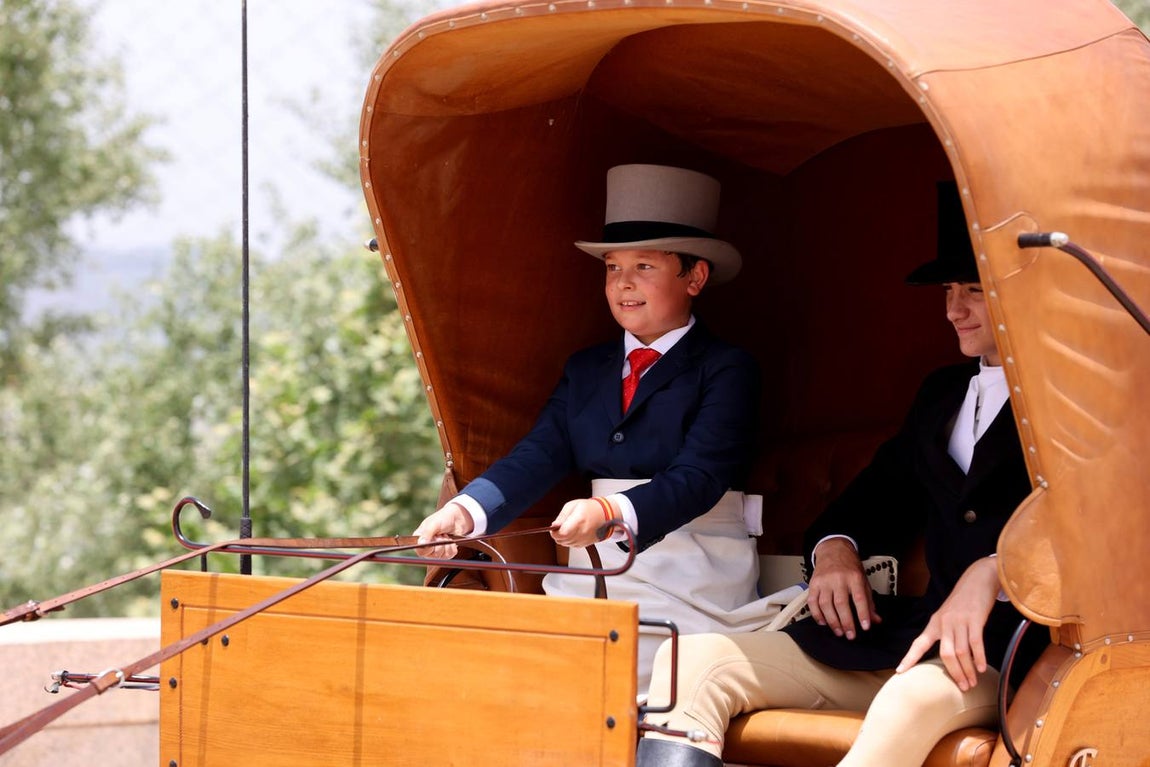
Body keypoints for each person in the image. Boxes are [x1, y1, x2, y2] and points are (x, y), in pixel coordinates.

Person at [637, 183, 1049, 766]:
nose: (952, 309)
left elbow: (1089, 528)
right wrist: (835, 549)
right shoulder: (940, 394)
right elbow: (874, 499)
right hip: (906, 638)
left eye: (974, 291)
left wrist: (995, 571)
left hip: (1011, 655)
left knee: (907, 701)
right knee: (692, 664)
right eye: (950, 290)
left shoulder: (1068, 403)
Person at [412, 163, 774, 694]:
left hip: (695, 570)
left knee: (608, 675)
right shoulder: (586, 369)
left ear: (695, 278)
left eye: (645, 266)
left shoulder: (727, 368)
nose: (623, 282)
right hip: (590, 570)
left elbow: (700, 475)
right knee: (543, 664)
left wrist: (609, 511)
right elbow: (538, 454)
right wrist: (463, 511)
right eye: (612, 267)